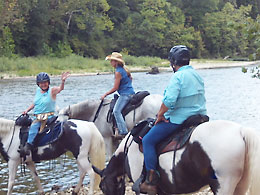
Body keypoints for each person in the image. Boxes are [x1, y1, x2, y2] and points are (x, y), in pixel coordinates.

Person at [140, 45, 207, 194]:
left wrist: (160, 115)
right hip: (199, 117)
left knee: (148, 140)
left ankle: (151, 179)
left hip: (180, 119)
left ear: (173, 62)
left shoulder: (178, 76)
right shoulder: (197, 75)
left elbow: (169, 100)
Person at [21, 72, 70, 155]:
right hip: (37, 116)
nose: (43, 84)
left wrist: (62, 81)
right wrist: (27, 110)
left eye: (45, 82)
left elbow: (60, 89)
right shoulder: (38, 91)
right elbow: (35, 103)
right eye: (41, 83)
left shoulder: (52, 91)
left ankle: (28, 146)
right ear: (38, 84)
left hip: (48, 117)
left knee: (33, 128)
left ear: (48, 82)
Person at [101, 52, 135, 136]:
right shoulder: (125, 70)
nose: (110, 63)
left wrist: (105, 94)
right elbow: (131, 79)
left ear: (116, 62)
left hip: (125, 95)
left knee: (116, 111)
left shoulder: (118, 72)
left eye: (112, 61)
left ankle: (123, 131)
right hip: (131, 93)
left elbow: (115, 88)